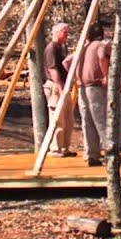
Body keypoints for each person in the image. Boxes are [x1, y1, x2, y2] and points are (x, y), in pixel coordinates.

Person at [74, 23, 121, 166]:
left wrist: (78, 77)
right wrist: (106, 76)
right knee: (102, 121)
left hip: (83, 88)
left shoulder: (83, 47)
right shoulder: (99, 45)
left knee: (88, 122)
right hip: (96, 87)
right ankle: (111, 154)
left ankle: (92, 155)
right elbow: (102, 58)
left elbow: (68, 62)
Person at [42, 22, 76, 157]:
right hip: (56, 86)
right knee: (58, 119)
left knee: (68, 119)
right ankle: (55, 148)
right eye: (65, 32)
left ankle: (65, 147)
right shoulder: (51, 48)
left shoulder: (60, 48)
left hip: (64, 85)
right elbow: (52, 68)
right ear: (57, 32)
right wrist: (60, 86)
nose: (67, 35)